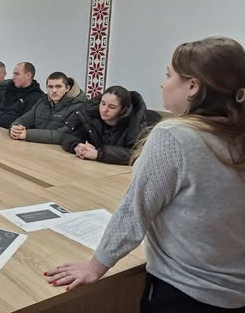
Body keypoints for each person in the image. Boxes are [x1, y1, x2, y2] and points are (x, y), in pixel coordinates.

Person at [45, 36, 245, 312]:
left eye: (169, 75)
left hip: (183, 292)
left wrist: (94, 266)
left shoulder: (174, 135)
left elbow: (134, 211)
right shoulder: (235, 134)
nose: (163, 84)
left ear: (192, 86)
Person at [60, 85, 147, 164]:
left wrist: (98, 154)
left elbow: (135, 154)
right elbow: (69, 135)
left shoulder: (135, 124)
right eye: (103, 103)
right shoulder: (92, 117)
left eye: (111, 107)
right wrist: (76, 146)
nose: (104, 110)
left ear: (123, 110)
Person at [9, 72, 87, 144]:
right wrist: (14, 128)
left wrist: (27, 134)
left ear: (67, 88)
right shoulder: (42, 102)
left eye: (58, 86)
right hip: (36, 147)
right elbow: (23, 120)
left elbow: (63, 135)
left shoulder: (79, 107)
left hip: (59, 152)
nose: (54, 90)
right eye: (50, 87)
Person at [0, 62, 43, 128]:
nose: (13, 77)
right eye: (13, 74)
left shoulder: (36, 97)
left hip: (10, 131)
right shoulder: (10, 89)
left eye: (17, 74)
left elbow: (23, 122)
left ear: (28, 75)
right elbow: (0, 109)